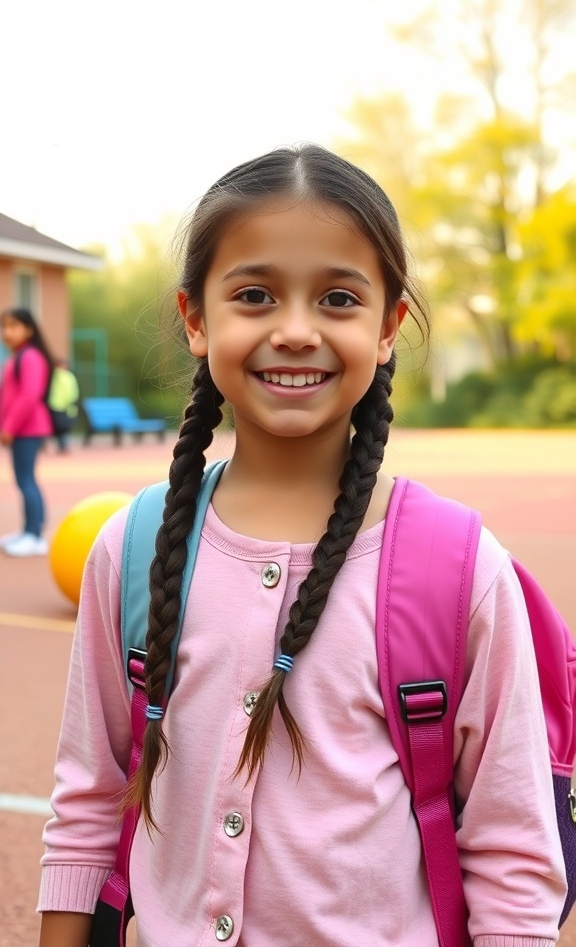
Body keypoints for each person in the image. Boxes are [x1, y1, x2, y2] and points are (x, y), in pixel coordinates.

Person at [37, 146, 566, 947]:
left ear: (388, 326)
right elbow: (87, 802)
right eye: (254, 294)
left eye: (337, 298)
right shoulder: (134, 548)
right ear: (195, 318)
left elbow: (514, 853)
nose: (293, 330)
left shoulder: (460, 571)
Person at [0, 306, 53, 556]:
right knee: (25, 479)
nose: (7, 332)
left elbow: (29, 396)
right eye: (4, 327)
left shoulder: (30, 357)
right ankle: (29, 531)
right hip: (23, 428)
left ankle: (34, 535)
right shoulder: (18, 356)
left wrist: (9, 426)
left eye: (13, 326)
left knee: (26, 480)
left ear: (29, 330)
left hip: (27, 429)